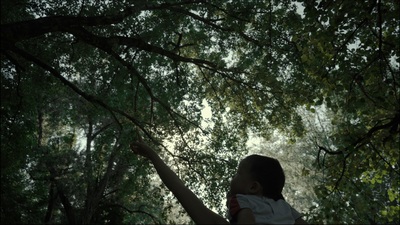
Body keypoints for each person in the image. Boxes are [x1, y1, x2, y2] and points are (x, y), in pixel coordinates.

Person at [130, 142, 308, 224]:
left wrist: (153, 156)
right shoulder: (284, 207)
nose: (233, 178)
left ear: (252, 187)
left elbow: (180, 190)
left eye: (238, 174)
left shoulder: (241, 200)